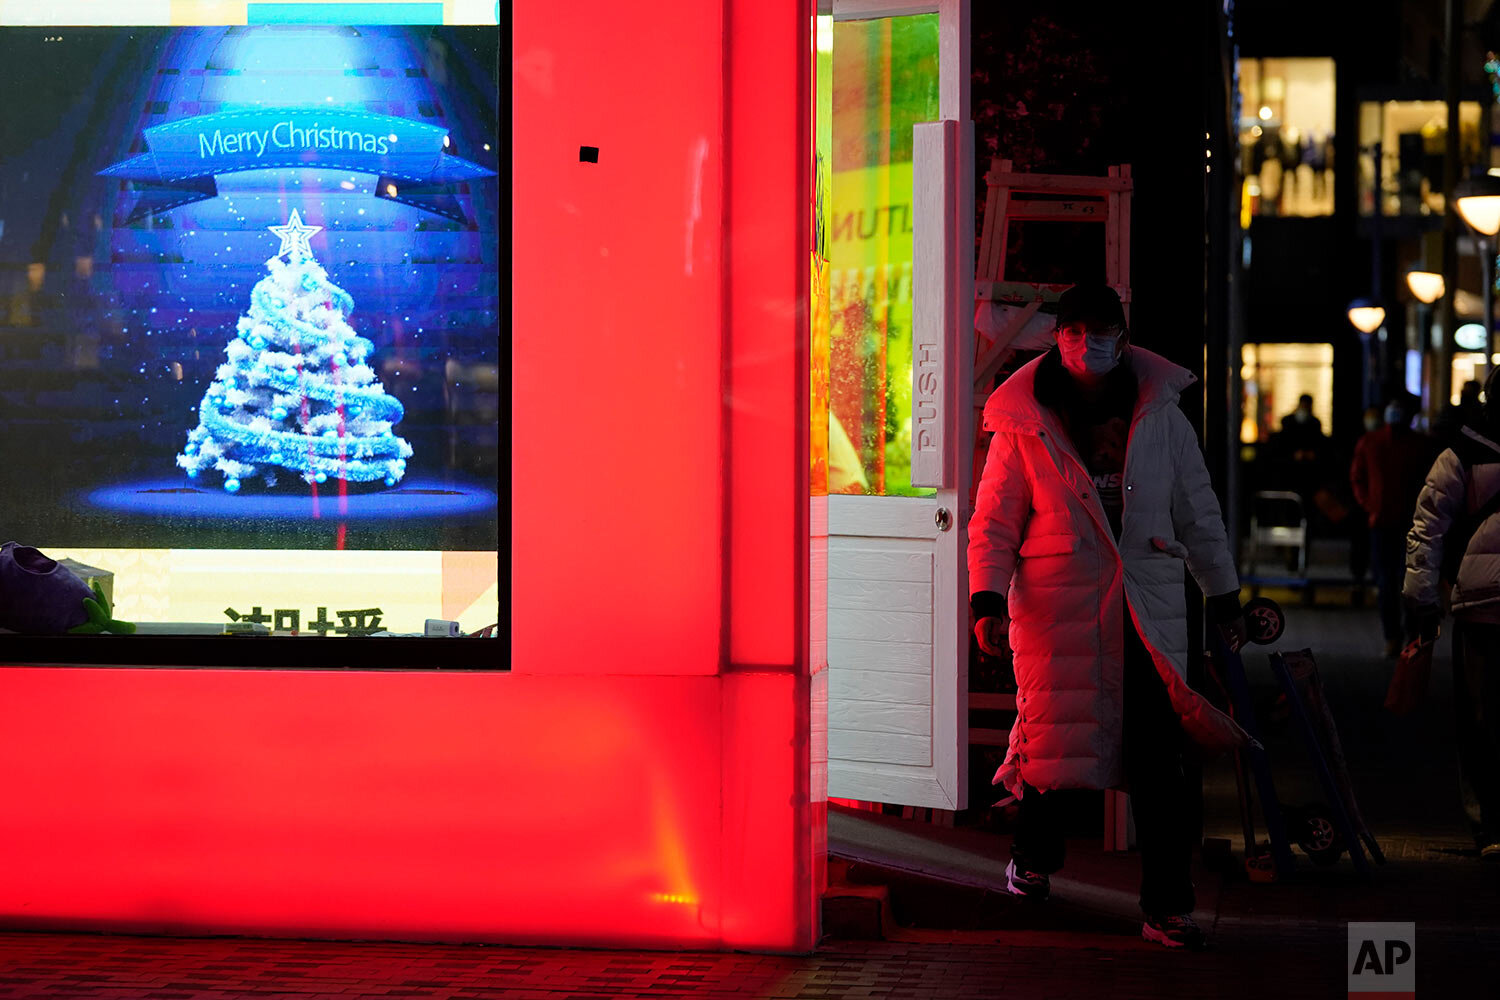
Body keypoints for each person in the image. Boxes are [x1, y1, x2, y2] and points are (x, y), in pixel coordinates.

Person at [967, 283, 1250, 952]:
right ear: (1056, 335)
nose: (1085, 344)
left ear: (1123, 340)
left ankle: (1166, 905)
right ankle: (1034, 859)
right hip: (1058, 609)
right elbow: (995, 519)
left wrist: (1224, 592)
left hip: (1146, 608)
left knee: (1159, 763)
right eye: (1074, 330)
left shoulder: (1160, 418)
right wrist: (985, 600)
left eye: (1099, 332)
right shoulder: (1025, 421)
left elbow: (1198, 510)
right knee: (1055, 750)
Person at [1404, 366, 1500, 861]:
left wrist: (1420, 595)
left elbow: (1429, 525)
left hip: (1480, 602)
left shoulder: (1461, 451)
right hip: (1481, 605)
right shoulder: (1463, 450)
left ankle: (1488, 824)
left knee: (1481, 717)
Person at [1350, 395, 1442, 657]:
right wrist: (1370, 504)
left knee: (1400, 582)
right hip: (1390, 522)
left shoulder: (1409, 444)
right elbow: (1358, 477)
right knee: (1390, 581)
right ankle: (1396, 635)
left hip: (1402, 523)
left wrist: (1369, 504)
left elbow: (1358, 477)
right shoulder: (1376, 443)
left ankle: (1402, 635)